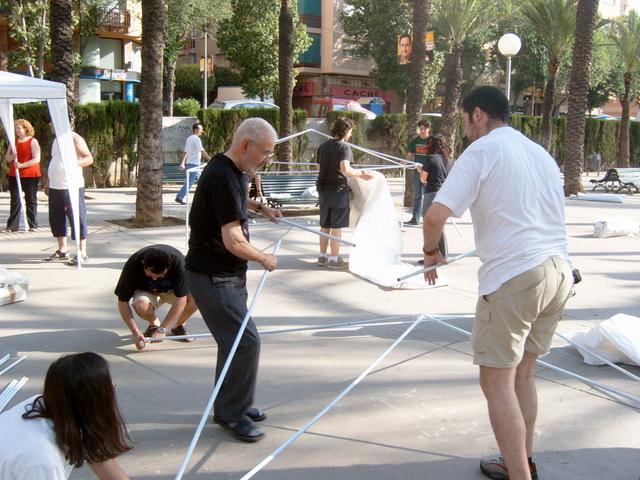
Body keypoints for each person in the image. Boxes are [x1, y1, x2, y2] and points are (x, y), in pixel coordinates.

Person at [422, 86, 573, 480]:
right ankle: (522, 461)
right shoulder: (539, 153)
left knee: (497, 382)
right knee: (523, 374)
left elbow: (435, 215)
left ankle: (520, 475)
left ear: (477, 114)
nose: (464, 128)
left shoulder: (482, 150)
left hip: (516, 275)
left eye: (464, 119)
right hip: (559, 271)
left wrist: (430, 252)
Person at [185, 118, 282, 443]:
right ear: (246, 145)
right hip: (212, 276)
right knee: (245, 341)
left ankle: (232, 403)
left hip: (226, 274)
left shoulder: (234, 170)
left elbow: (231, 205)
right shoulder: (224, 176)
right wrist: (264, 258)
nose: (267, 159)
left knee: (233, 342)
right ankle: (232, 413)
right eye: (265, 152)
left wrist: (259, 208)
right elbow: (234, 241)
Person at [0, 352, 131, 479]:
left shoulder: (50, 405)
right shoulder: (43, 461)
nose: (114, 384)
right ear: (92, 403)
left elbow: (103, 463)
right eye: (108, 384)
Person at [115, 244, 199, 350]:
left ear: (168, 267)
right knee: (141, 306)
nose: (155, 279)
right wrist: (135, 332)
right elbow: (122, 302)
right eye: (151, 274)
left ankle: (179, 326)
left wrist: (163, 329)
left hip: (170, 290)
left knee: (197, 298)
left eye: (161, 275)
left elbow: (181, 299)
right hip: (146, 291)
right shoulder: (133, 264)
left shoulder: (179, 263)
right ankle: (154, 324)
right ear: (143, 264)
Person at [316, 117, 371, 269]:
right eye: (351, 131)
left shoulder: (323, 146)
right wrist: (361, 174)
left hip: (323, 190)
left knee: (325, 225)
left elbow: (318, 169)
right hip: (338, 190)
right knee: (336, 227)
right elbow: (345, 169)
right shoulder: (344, 148)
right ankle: (334, 259)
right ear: (345, 130)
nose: (351, 134)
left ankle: (322, 256)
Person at [44, 128, 93, 265]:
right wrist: (48, 181)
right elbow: (55, 162)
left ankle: (82, 252)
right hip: (56, 186)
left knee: (77, 217)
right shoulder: (56, 140)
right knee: (56, 218)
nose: (51, 125)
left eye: (52, 122)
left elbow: (89, 158)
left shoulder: (75, 138)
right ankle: (63, 250)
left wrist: (73, 163)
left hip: (72, 186)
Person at [5, 119, 41, 232]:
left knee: (30, 199)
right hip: (14, 175)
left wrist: (22, 165)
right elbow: (7, 157)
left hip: (30, 174)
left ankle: (33, 225)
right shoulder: (13, 142)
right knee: (15, 199)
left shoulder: (33, 141)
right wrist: (12, 156)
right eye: (16, 128)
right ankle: (12, 226)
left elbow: (37, 159)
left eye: (19, 128)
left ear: (26, 129)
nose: (17, 130)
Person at [416, 133, 448, 260]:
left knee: (429, 226)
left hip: (431, 194)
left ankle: (430, 258)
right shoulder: (446, 160)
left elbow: (423, 179)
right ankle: (442, 256)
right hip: (443, 195)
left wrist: (420, 170)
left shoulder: (430, 158)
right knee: (439, 226)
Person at [175, 122, 211, 205]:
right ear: (195, 129)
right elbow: (202, 150)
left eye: (202, 129)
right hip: (194, 165)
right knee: (192, 182)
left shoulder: (189, 138)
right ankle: (180, 197)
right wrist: (210, 159)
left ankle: (206, 199)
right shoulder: (196, 139)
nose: (202, 131)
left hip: (191, 164)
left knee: (202, 182)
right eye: (200, 129)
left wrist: (182, 163)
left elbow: (185, 151)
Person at [406, 119, 431, 225]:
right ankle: (415, 219)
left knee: (429, 197)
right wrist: (405, 163)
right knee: (417, 196)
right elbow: (409, 155)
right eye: (421, 129)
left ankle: (428, 221)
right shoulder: (415, 141)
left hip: (429, 173)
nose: (422, 131)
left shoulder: (432, 141)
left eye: (424, 129)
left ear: (429, 129)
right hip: (417, 173)